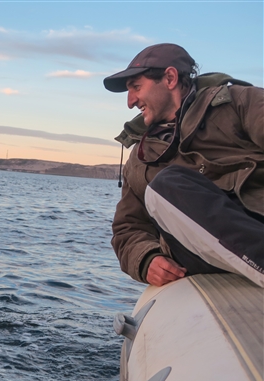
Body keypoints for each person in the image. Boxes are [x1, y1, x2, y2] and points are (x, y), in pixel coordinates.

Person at [103, 43, 264, 288]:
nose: (130, 102)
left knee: (167, 184)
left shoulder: (239, 102)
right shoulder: (139, 159)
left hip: (257, 220)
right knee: (166, 186)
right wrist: (147, 259)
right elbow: (128, 228)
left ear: (170, 78)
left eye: (136, 87)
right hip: (196, 255)